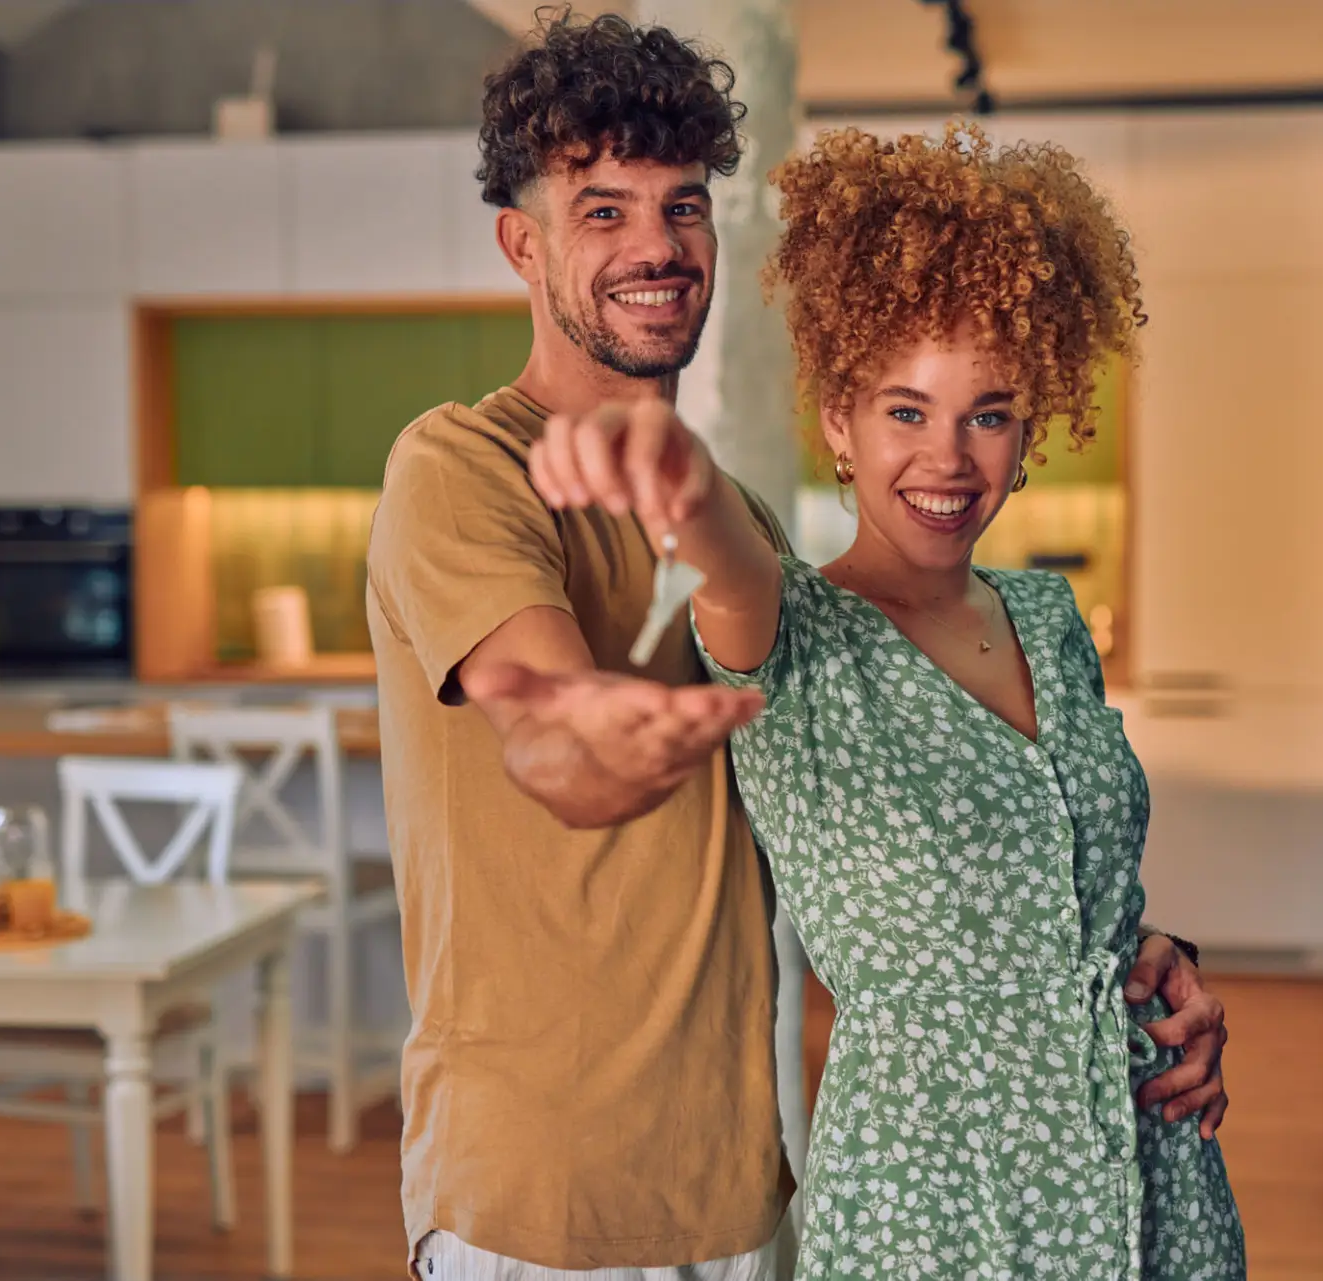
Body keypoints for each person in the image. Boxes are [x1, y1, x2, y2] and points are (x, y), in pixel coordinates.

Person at [366, 11, 1231, 1279]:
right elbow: (554, 741)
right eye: (602, 211)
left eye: (683, 206)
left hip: (745, 1184)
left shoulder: (763, 537)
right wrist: (589, 739)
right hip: (542, 1196)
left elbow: (919, 843)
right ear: (523, 241)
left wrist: (1133, 963)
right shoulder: (462, 469)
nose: (655, 246)